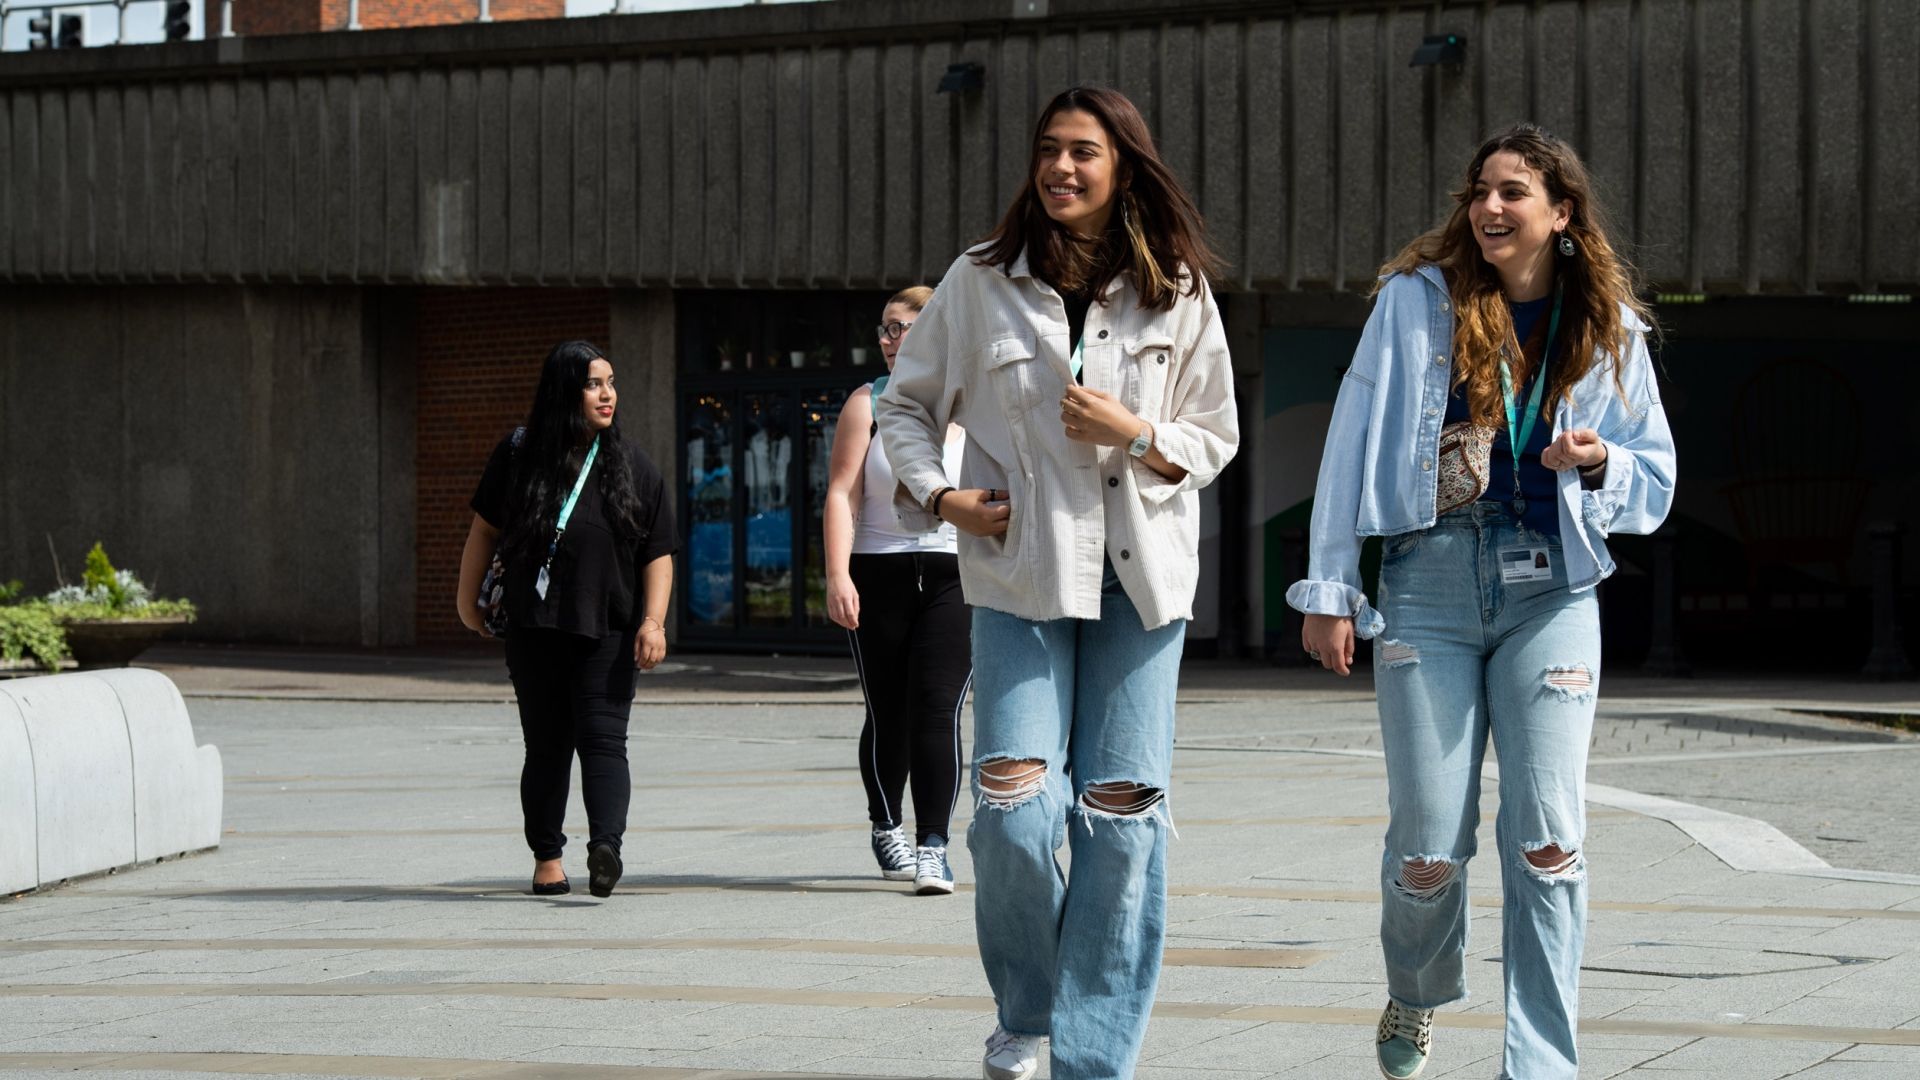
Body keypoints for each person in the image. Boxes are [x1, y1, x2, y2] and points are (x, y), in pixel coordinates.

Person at [1289, 123, 1677, 1080]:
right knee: (1428, 845)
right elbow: (1347, 445)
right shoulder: (1414, 306)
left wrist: (1600, 463)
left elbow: (1656, 478)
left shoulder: (1610, 324)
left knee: (1549, 841)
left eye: (1513, 192)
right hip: (1425, 583)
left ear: (1562, 212)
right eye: (1480, 192)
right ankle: (1418, 992)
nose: (1490, 208)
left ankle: (1542, 1063)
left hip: (1555, 590)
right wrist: (1332, 586)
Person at [877, 86, 1238, 1080]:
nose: (1062, 168)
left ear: (1124, 165)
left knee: (1122, 821)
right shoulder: (981, 280)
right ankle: (1027, 1010)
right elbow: (903, 409)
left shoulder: (1178, 290)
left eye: (1084, 151)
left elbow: (1215, 436)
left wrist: (1137, 433)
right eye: (1049, 150)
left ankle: (1094, 1053)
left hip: (1141, 584)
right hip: (1021, 577)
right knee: (1013, 808)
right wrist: (941, 499)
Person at [456, 340, 677, 900]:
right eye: (592, 384)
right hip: (535, 627)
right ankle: (547, 858)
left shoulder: (630, 464)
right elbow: (484, 529)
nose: (607, 395)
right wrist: (467, 603)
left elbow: (658, 552)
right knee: (547, 744)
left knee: (604, 742)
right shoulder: (518, 455)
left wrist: (653, 622)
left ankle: (607, 848)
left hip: (608, 627)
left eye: (610, 382)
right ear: (564, 391)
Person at [822, 285, 971, 896]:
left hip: (954, 572)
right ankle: (887, 824)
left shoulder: (972, 405)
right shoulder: (868, 403)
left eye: (904, 327)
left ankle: (933, 843)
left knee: (939, 707)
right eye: (885, 329)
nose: (890, 340)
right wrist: (836, 576)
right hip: (878, 569)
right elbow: (841, 493)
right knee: (890, 711)